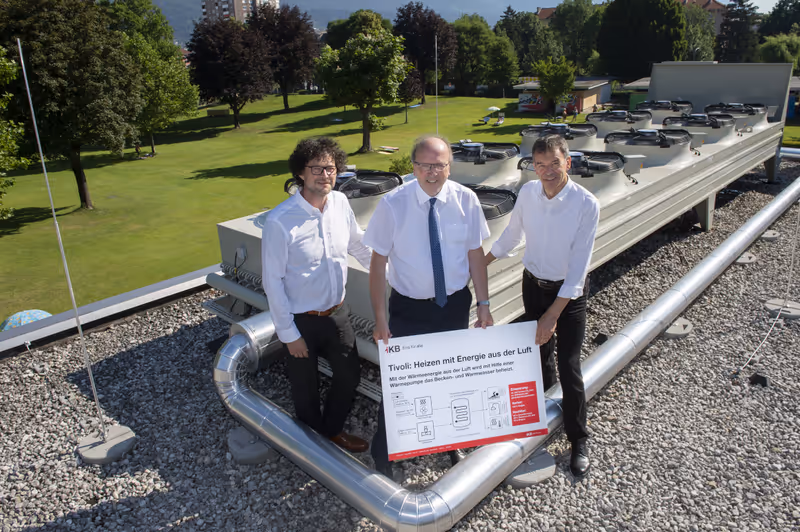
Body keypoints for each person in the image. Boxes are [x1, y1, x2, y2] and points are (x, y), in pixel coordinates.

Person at [364, 135, 493, 480]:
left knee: (451, 377)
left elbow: (475, 254)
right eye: (424, 165)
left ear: (450, 166)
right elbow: (377, 264)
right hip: (408, 308)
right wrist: (380, 319)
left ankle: (450, 442)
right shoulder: (393, 205)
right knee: (400, 382)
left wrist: (484, 303)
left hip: (454, 305)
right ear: (413, 167)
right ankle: (384, 452)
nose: (432, 172)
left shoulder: (466, 200)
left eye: (439, 165)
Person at [486, 135, 599, 478]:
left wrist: (553, 315)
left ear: (568, 162)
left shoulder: (586, 203)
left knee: (569, 363)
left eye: (554, 163)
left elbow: (578, 268)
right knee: (537, 354)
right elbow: (511, 237)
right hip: (533, 285)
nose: (547, 171)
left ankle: (578, 439)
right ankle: (545, 418)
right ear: (532, 166)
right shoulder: (527, 193)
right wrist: (479, 264)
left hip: (568, 294)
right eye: (540, 165)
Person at [261, 137, 372, 453]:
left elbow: (357, 244)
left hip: (337, 314)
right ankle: (311, 448)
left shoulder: (340, 203)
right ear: (300, 172)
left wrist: (390, 275)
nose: (326, 175)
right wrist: (289, 334)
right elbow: (273, 281)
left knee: (349, 376)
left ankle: (332, 431)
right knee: (305, 388)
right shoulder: (280, 221)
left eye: (331, 168)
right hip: (301, 322)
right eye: (317, 168)